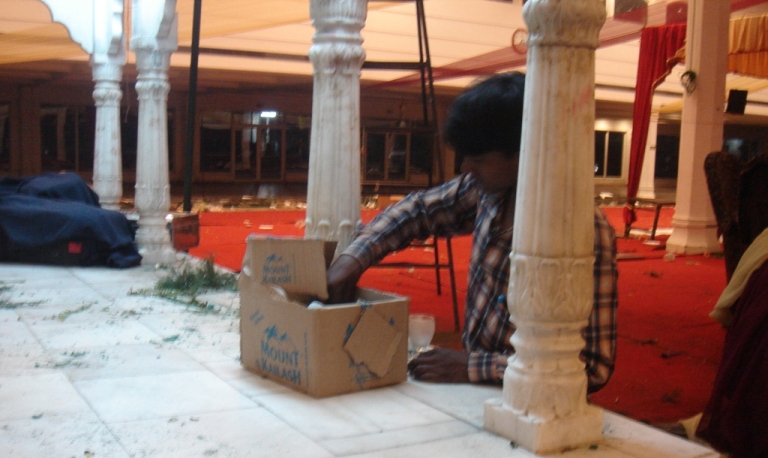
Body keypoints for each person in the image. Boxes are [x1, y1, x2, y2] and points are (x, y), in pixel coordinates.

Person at [326, 72, 618, 393]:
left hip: (530, 402)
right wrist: (353, 259)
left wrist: (474, 366)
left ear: (526, 153)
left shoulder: (583, 231)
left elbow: (592, 366)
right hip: (474, 390)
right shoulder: (487, 193)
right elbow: (417, 211)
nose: (466, 168)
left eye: (478, 159)